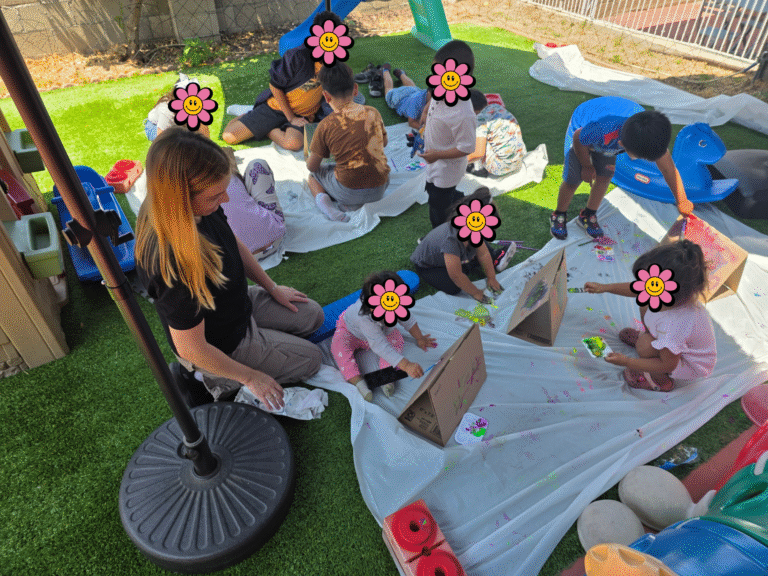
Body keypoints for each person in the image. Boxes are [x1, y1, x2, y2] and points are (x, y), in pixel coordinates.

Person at [135, 128, 324, 409]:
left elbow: (231, 241)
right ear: (181, 197)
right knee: (312, 359)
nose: (225, 201)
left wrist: (270, 287)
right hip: (218, 343)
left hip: (235, 305)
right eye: (215, 196)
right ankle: (212, 379)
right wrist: (250, 377)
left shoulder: (198, 207)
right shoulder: (170, 262)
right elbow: (191, 347)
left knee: (313, 316)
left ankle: (254, 344)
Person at [551, 96, 694, 241]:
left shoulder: (651, 136)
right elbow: (578, 138)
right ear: (621, 145)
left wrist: (682, 200)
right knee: (573, 179)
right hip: (582, 132)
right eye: (640, 157)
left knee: (605, 175)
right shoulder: (602, 130)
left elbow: (668, 170)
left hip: (607, 137)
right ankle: (559, 215)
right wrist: (587, 166)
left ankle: (588, 215)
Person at [584, 239, 716, 392]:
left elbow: (667, 364)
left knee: (645, 346)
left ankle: (660, 381)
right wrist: (605, 287)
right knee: (644, 303)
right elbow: (637, 289)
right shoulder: (670, 296)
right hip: (671, 345)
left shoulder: (674, 326)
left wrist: (628, 361)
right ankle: (651, 340)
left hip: (688, 363)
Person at [221, 11, 343, 148]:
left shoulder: (336, 60)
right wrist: (291, 118)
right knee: (229, 137)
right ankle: (250, 114)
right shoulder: (297, 56)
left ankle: (269, 128)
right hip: (277, 108)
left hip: (303, 114)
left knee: (294, 144)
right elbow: (275, 86)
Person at [331, 271, 437, 401]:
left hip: (380, 332)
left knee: (397, 339)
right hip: (350, 333)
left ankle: (387, 377)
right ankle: (359, 383)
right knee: (338, 348)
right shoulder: (363, 317)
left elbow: (408, 320)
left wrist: (420, 338)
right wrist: (407, 365)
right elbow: (380, 346)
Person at [306, 63, 390, 222]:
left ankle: (328, 207)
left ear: (326, 96)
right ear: (356, 90)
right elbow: (384, 143)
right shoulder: (373, 112)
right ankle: (351, 203)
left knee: (313, 176)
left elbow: (312, 166)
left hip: (348, 192)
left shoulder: (326, 125)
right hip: (380, 188)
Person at [410, 187, 514, 301]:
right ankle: (467, 263)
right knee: (453, 287)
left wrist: (492, 277)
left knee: (484, 250)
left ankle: (468, 262)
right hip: (429, 266)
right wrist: (476, 292)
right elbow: (456, 276)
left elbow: (483, 254)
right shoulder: (451, 241)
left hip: (454, 254)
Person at [419, 40, 478, 228]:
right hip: (435, 163)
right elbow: (433, 99)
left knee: (438, 206)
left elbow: (467, 147)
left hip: (446, 170)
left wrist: (437, 155)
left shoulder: (463, 114)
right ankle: (458, 201)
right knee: (433, 190)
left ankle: (440, 235)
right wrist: (425, 111)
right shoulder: (442, 88)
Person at [466, 92, 528, 178]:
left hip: (499, 168)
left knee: (474, 137)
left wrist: (458, 162)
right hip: (519, 159)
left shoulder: (479, 120)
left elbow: (478, 153)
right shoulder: (497, 107)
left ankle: (478, 169)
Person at [144, 74, 210, 141]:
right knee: (176, 141)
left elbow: (205, 136)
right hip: (154, 126)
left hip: (178, 123)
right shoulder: (167, 111)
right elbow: (161, 139)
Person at [379, 63, 429, 129]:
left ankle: (399, 73)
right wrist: (425, 130)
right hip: (399, 98)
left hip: (413, 92)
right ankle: (385, 70)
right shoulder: (417, 103)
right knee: (388, 90)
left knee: (413, 87)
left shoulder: (426, 94)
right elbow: (411, 122)